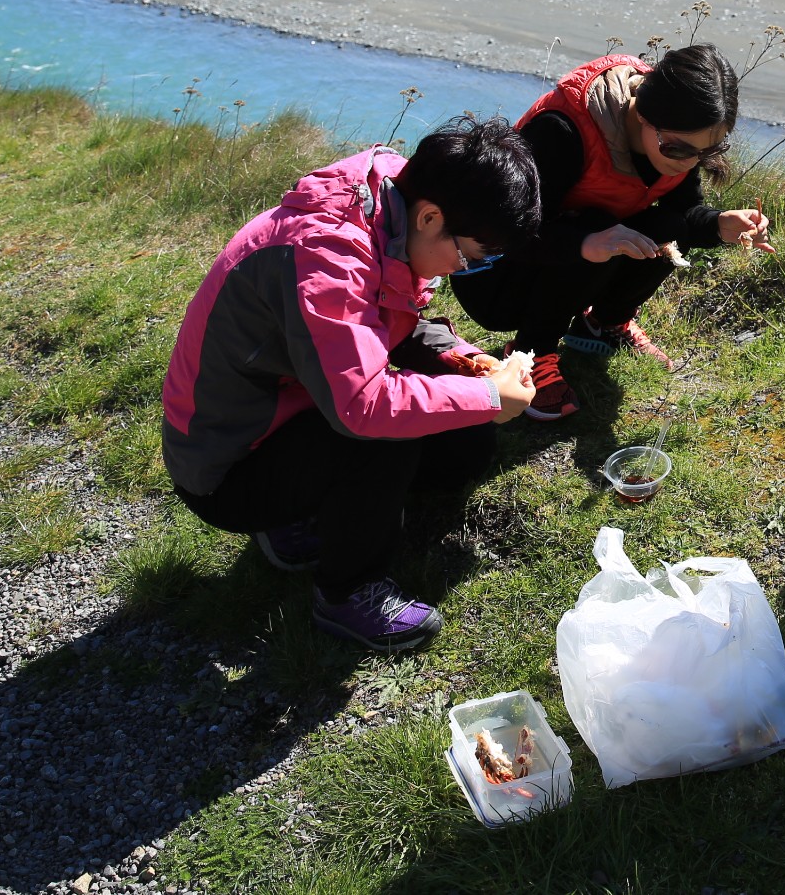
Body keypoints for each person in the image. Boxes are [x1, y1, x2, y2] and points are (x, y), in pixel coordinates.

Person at [160, 118, 540, 652]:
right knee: (385, 432)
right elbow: (364, 405)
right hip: (224, 467)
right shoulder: (328, 257)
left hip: (285, 416)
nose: (462, 270)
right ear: (432, 216)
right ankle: (347, 594)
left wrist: (472, 364)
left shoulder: (389, 212)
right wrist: (487, 397)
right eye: (472, 257)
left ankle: (301, 518)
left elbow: (388, 322)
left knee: (466, 444)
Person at [451, 43, 772, 421]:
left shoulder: (677, 135)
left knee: (666, 227)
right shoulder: (562, 131)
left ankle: (603, 323)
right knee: (596, 227)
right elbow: (506, 232)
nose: (689, 162)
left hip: (568, 253)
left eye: (706, 151)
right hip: (493, 277)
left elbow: (683, 212)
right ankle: (529, 352)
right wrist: (586, 243)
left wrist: (720, 224)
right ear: (643, 116)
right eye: (679, 149)